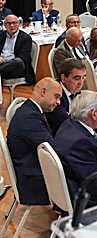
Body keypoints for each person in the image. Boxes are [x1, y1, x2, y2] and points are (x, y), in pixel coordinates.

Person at [7, 77, 62, 206]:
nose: (59, 102)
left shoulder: (29, 110)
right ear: (43, 92)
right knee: (85, 178)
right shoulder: (29, 118)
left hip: (32, 171)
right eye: (56, 97)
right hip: (34, 183)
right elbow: (53, 150)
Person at [47, 58, 97, 136]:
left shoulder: (77, 93)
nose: (81, 83)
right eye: (77, 78)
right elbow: (74, 125)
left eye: (83, 77)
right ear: (63, 78)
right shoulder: (55, 96)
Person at [0, 14, 36, 84]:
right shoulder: (1, 35)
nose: (12, 25)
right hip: (3, 67)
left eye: (14, 23)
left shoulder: (25, 38)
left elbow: (23, 57)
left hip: (17, 67)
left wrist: (5, 60)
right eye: (9, 23)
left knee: (18, 62)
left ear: (19, 24)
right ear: (5, 25)